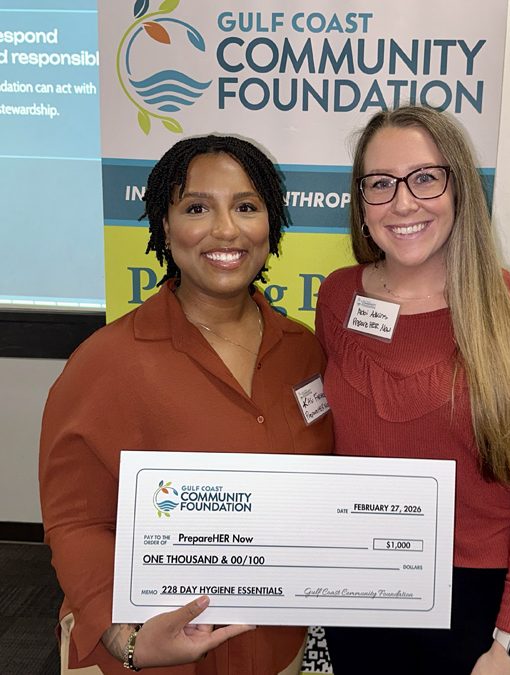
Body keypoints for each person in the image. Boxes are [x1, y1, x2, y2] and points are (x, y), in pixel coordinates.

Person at [40, 134, 333, 675]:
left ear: (271, 225)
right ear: (166, 227)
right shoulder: (104, 362)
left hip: (273, 649)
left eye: (246, 207)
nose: (226, 230)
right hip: (150, 653)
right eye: (197, 208)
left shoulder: (304, 351)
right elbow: (75, 521)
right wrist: (127, 640)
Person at [315, 105, 510, 675]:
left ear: (459, 189)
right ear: (361, 202)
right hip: (356, 590)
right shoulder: (337, 298)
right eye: (381, 183)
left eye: (425, 178)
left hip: (473, 606)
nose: (403, 203)